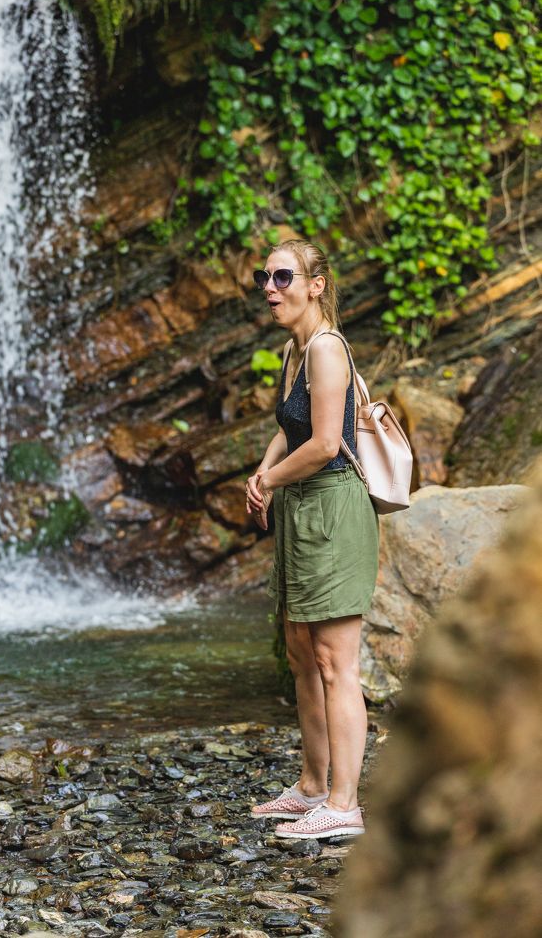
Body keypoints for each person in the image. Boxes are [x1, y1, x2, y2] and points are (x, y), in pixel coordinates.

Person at [246, 238, 379, 841]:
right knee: (302, 654)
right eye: (264, 277)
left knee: (334, 662)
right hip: (301, 510)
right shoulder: (294, 350)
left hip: (332, 507)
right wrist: (263, 471)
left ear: (315, 286)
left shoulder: (326, 349)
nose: (270, 289)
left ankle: (344, 804)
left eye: (283, 277)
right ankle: (310, 787)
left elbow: (326, 444)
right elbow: (290, 428)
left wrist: (270, 480)